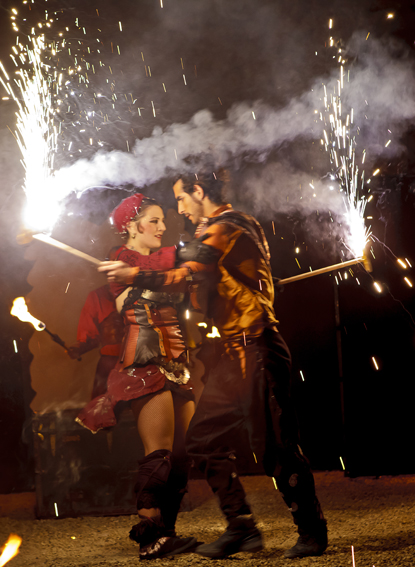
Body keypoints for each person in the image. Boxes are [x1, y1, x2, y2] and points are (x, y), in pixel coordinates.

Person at [99, 171, 328, 559]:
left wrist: (135, 273)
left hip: (258, 349)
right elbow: (201, 280)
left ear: (198, 191)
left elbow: (191, 270)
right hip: (230, 355)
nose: (178, 209)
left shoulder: (228, 227)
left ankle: (312, 531)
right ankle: (241, 527)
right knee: (202, 440)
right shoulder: (214, 232)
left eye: (181, 199)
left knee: (274, 447)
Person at [76, 194, 198, 560]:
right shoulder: (120, 261)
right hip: (144, 362)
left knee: (183, 454)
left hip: (177, 362)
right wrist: (188, 262)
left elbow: (178, 276)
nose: (162, 227)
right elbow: (160, 271)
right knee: (158, 452)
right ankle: (148, 536)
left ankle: (167, 532)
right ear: (131, 225)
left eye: (163, 221)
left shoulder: (156, 264)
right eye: (155, 220)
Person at [67, 282, 123, 399]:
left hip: (139, 361)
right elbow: (90, 338)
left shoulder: (142, 292)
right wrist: (79, 348)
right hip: (109, 363)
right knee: (101, 406)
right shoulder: (97, 296)